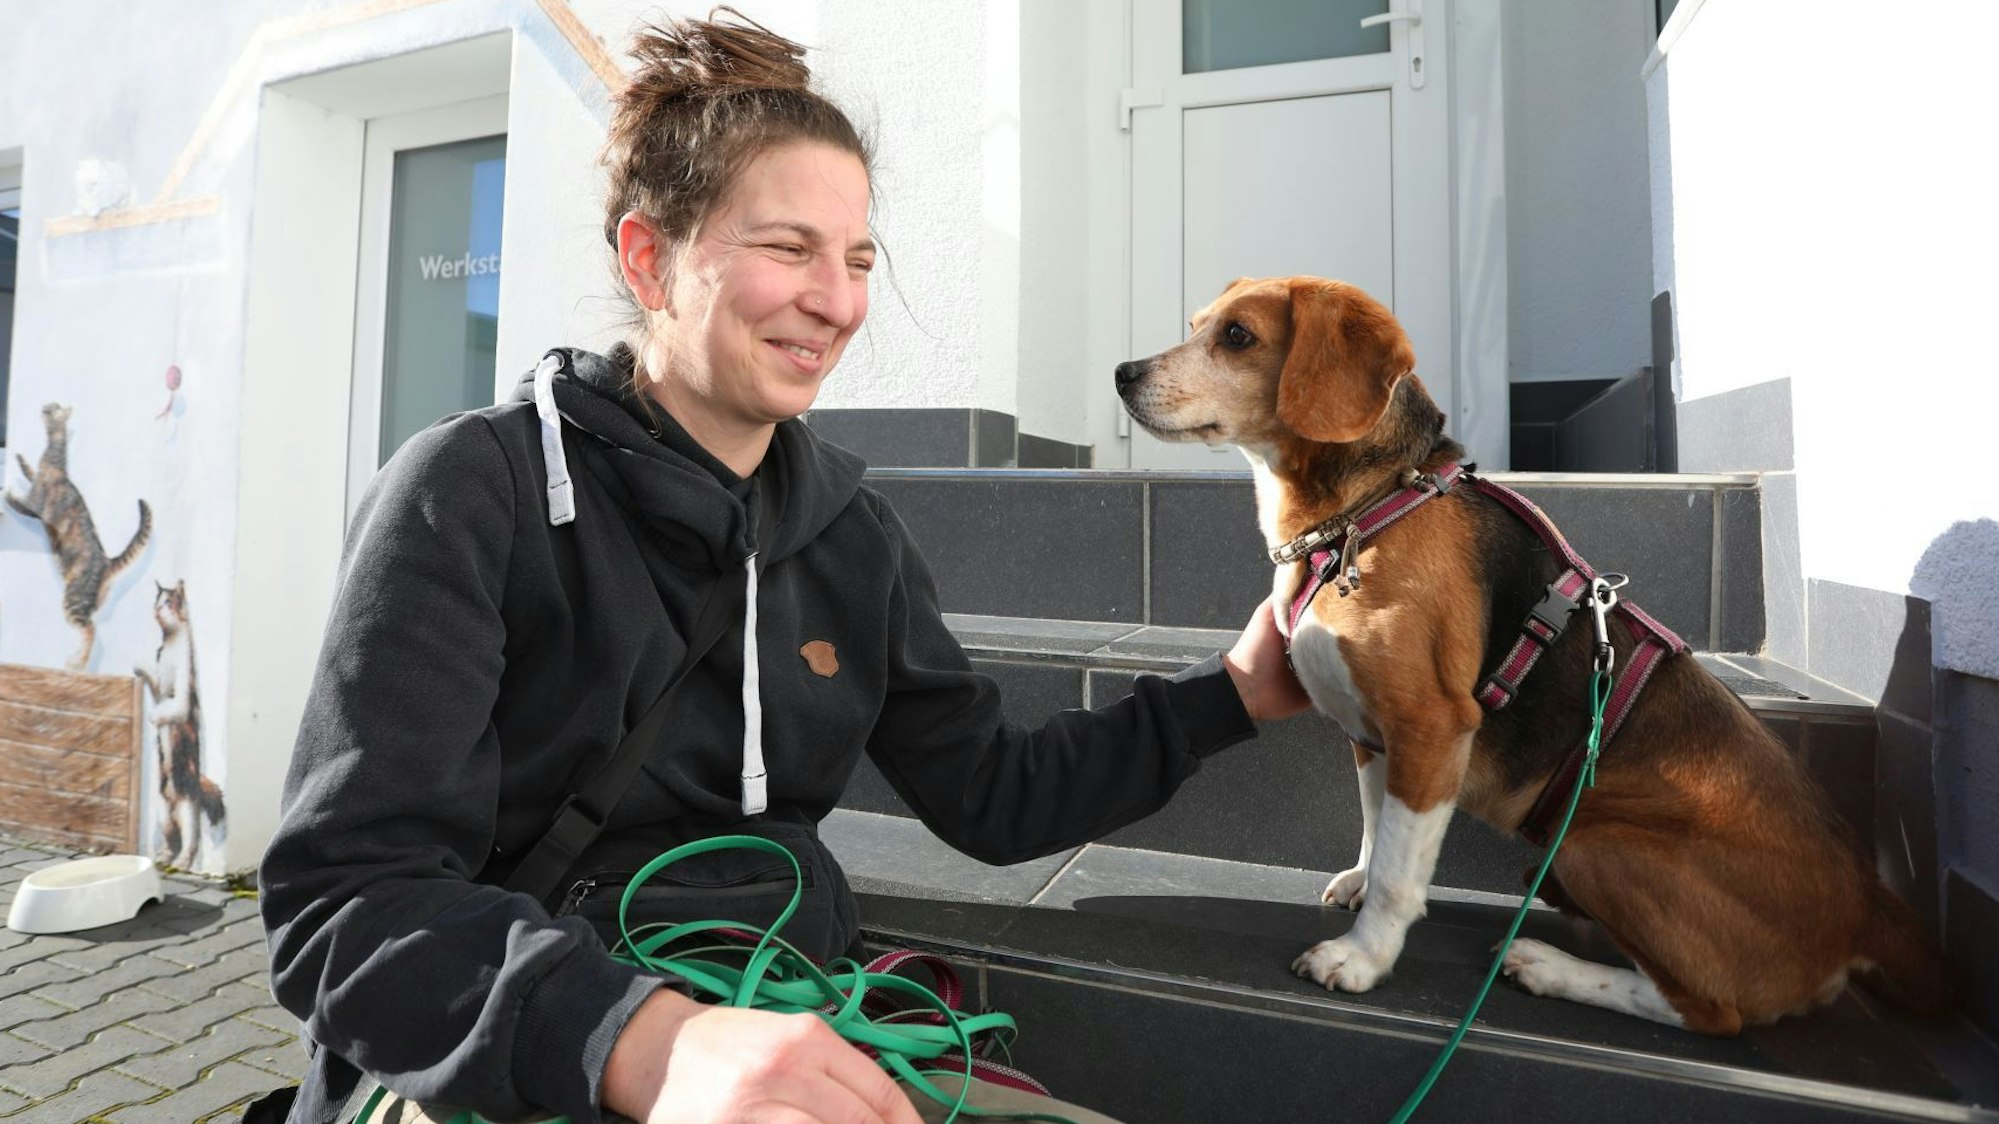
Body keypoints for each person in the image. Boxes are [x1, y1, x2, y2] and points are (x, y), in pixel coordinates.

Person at [257, 10, 1310, 1124]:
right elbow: (346, 902)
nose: (838, 300)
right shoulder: (474, 491)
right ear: (649, 257)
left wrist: (1230, 694)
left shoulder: (851, 536)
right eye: (786, 248)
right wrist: (642, 1040)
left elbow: (993, 794)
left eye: (856, 258)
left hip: (795, 1004)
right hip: (522, 1046)